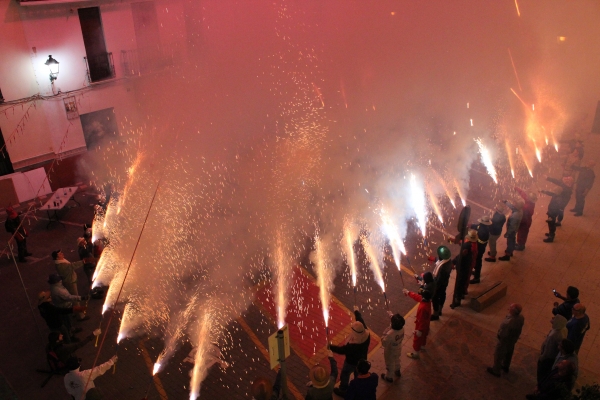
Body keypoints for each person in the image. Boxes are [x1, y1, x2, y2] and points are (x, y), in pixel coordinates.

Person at [330, 307, 370, 397]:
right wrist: (356, 311)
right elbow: (361, 320)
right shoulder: (366, 334)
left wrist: (330, 347)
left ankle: (343, 389)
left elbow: (341, 350)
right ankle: (357, 388)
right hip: (362, 360)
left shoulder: (353, 345)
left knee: (345, 373)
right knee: (358, 375)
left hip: (351, 362)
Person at [487, 303, 524, 377]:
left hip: (505, 340)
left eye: (510, 307)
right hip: (513, 339)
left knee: (499, 354)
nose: (508, 308)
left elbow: (503, 333)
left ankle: (496, 370)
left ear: (513, 311)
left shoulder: (509, 322)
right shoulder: (521, 318)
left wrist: (499, 336)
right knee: (509, 352)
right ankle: (505, 366)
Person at [53, 249, 87, 321]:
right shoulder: (61, 265)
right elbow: (72, 266)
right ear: (57, 258)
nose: (62, 253)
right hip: (70, 283)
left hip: (69, 281)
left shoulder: (61, 262)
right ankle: (80, 316)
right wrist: (83, 261)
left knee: (72, 299)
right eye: (60, 254)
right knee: (75, 299)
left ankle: (74, 312)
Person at [537, 315, 567, 385]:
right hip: (554, 356)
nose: (553, 318)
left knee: (542, 373)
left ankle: (539, 386)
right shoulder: (563, 329)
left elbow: (548, 350)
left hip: (548, 358)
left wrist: (542, 358)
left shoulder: (553, 335)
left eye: (554, 318)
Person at [540, 176, 573, 242]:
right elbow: (552, 193)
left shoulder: (559, 199)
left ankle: (551, 236)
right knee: (550, 223)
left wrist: (552, 215)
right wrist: (544, 191)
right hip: (551, 211)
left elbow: (560, 206)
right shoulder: (558, 194)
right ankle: (550, 233)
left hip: (553, 212)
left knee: (551, 224)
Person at [450, 231, 477, 308]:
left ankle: (457, 300)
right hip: (466, 267)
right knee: (463, 282)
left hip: (463, 268)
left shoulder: (467, 248)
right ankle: (461, 294)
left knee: (459, 284)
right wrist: (455, 241)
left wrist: (453, 262)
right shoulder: (472, 245)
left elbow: (460, 256)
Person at [402, 287, 432, 359]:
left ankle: (416, 353)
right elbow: (416, 297)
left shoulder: (423, 307)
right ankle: (422, 346)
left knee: (417, 339)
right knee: (424, 336)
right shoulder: (427, 302)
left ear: (423, 297)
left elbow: (422, 320)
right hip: (426, 325)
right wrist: (408, 292)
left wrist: (419, 330)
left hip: (420, 326)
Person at [380, 312, 405, 382]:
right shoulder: (402, 329)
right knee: (397, 359)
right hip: (398, 348)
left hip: (390, 351)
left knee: (389, 363)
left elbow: (384, 343)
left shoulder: (389, 334)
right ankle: (397, 370)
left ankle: (389, 377)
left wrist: (384, 334)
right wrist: (392, 316)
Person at [430, 245, 452, 320]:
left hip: (440, 284)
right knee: (443, 294)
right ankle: (440, 310)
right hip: (445, 283)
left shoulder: (442, 268)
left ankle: (435, 314)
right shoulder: (448, 261)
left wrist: (434, 288)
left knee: (435, 297)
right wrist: (434, 259)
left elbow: (439, 280)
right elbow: (440, 261)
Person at [470, 216, 491, 284]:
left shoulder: (483, 231)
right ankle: (476, 272)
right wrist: (472, 225)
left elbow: (478, 240)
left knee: (478, 261)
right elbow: (478, 226)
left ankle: (477, 278)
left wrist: (473, 239)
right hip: (481, 247)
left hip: (479, 248)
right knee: (477, 260)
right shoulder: (484, 227)